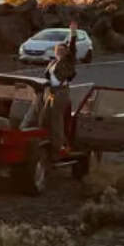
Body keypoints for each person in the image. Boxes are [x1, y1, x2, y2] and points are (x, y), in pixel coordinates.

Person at [40, 20, 79, 157]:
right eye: (57, 50)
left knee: (56, 119)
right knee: (44, 117)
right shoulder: (53, 62)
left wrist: (73, 32)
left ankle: (59, 147)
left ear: (66, 52)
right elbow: (47, 77)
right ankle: (47, 141)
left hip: (61, 92)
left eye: (62, 50)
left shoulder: (68, 61)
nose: (59, 52)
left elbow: (72, 47)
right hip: (50, 92)